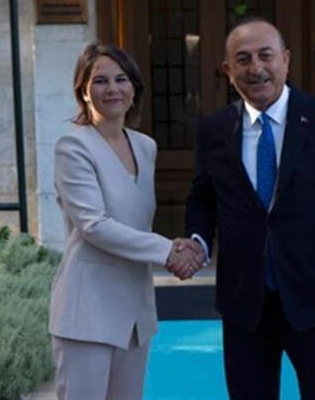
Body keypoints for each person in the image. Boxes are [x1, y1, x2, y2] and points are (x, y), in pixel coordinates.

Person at [184, 17, 315, 399]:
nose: (256, 68)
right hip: (245, 306)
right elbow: (202, 199)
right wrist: (198, 242)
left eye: (265, 55)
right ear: (228, 70)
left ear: (285, 60)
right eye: (243, 59)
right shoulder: (214, 129)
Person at [49, 43, 204, 399]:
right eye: (100, 80)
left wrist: (180, 247)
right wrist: (169, 251)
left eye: (121, 79)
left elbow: (135, 224)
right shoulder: (72, 147)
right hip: (87, 310)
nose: (112, 89)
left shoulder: (146, 146)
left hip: (135, 311)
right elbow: (94, 225)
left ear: (134, 88)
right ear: (83, 91)